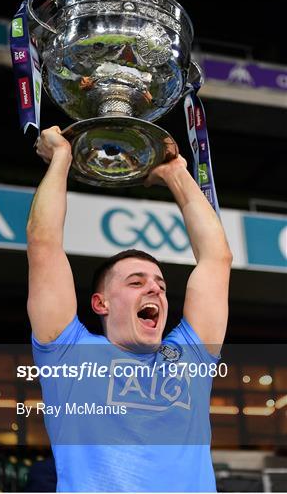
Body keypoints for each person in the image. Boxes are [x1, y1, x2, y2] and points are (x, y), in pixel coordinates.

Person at [27, 125, 232, 492]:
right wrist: (62, 157)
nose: (154, 287)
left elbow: (217, 259)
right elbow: (43, 245)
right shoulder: (68, 353)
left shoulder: (188, 358)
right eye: (136, 282)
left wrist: (175, 172)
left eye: (160, 285)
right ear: (100, 303)